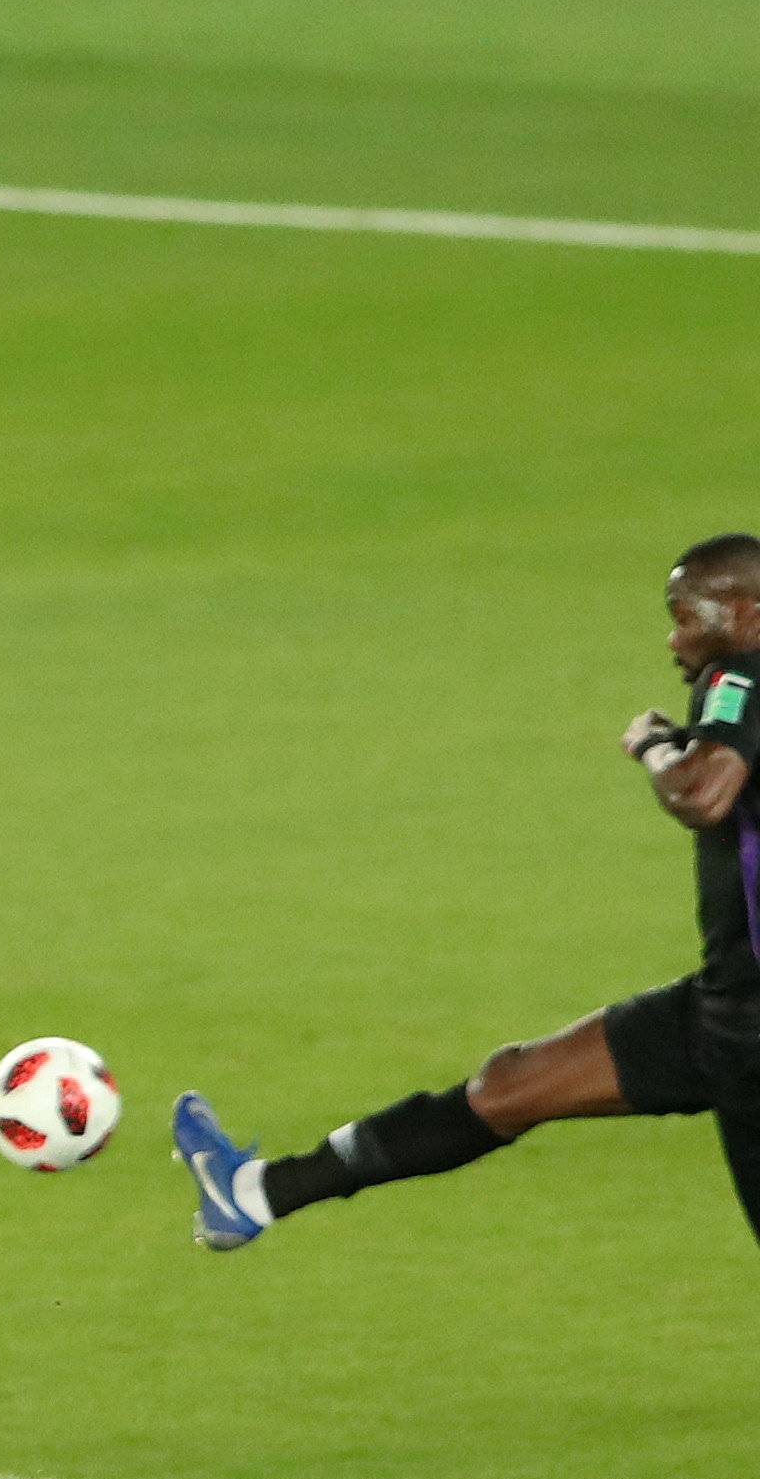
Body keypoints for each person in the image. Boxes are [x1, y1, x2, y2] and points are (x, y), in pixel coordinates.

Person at [175, 532, 760, 1252]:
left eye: (684, 616)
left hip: (748, 1028)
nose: (674, 640)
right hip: (721, 1017)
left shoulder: (740, 674)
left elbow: (701, 792)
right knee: (511, 1084)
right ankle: (255, 1192)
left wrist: (653, 744)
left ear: (746, 615)